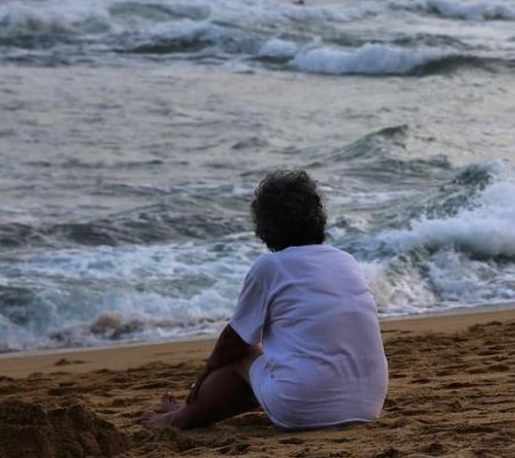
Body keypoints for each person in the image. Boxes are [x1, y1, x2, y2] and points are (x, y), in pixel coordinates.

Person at [143, 170, 388, 431]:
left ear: (265, 224)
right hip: (369, 403)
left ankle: (180, 418)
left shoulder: (271, 267)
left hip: (303, 406)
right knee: (267, 370)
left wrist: (202, 378)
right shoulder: (345, 260)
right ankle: (191, 410)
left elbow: (234, 340)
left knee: (245, 355)